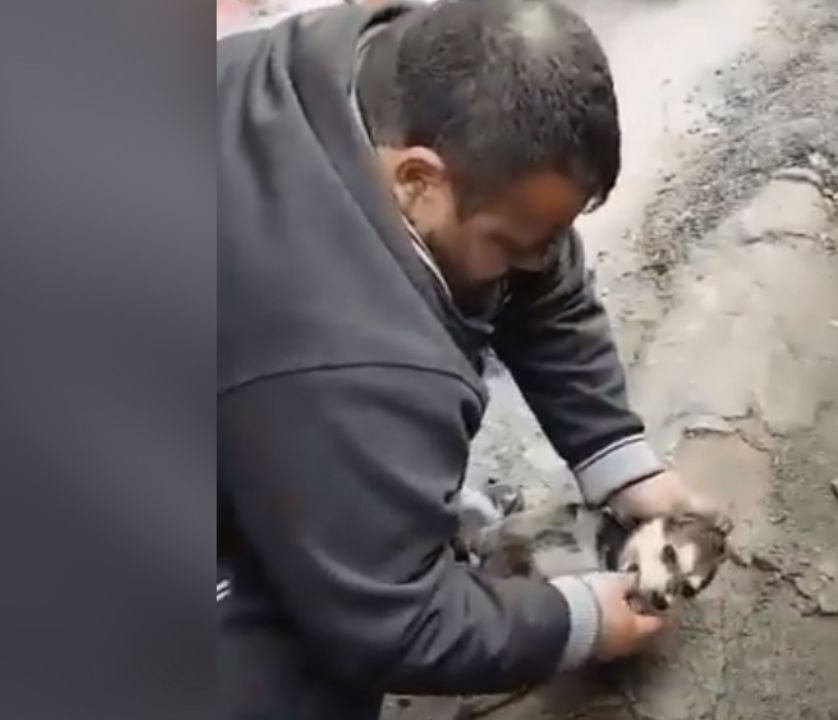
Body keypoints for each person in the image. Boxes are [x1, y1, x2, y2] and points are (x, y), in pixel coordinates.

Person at [217, 1, 712, 717]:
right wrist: (584, 620)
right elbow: (396, 625)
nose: (538, 261)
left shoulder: (375, 72)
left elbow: (540, 276)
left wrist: (624, 462)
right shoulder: (350, 354)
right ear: (418, 179)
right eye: (514, 244)